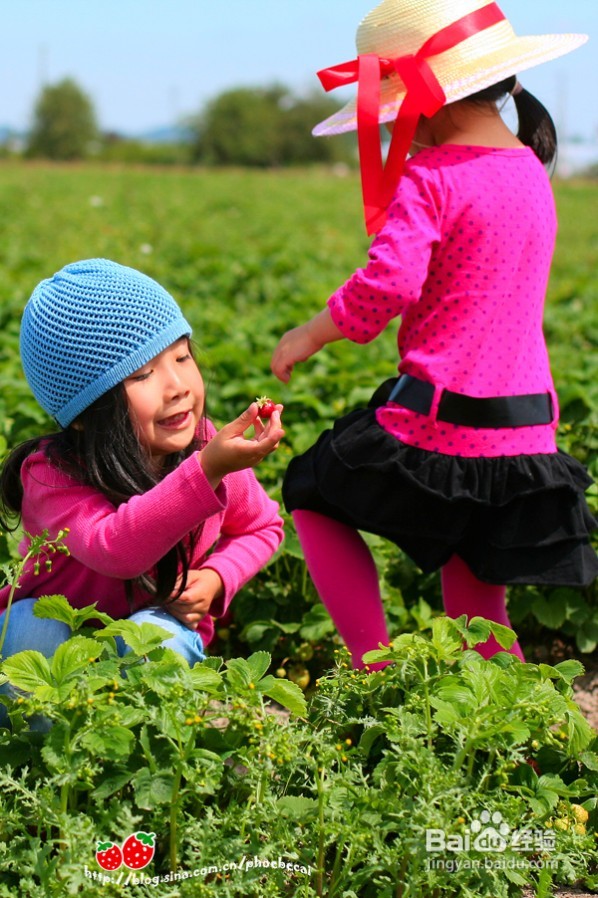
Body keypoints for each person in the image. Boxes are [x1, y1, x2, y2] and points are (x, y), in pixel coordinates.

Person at [271, 0, 597, 668]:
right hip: (525, 425)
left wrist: (308, 333)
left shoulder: (432, 176)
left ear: (430, 104)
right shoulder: (534, 173)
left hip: (441, 419)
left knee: (313, 495)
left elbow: (388, 285)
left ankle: (375, 667)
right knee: (477, 582)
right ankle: (508, 725)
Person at [0, 258, 284, 673]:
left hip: (157, 617)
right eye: (143, 374)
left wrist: (219, 576)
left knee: (160, 640)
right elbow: (114, 548)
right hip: (63, 624)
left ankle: (142, 729)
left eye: (183, 357)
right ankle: (41, 734)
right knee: (30, 630)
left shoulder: (207, 448)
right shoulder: (52, 475)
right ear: (83, 413)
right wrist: (205, 472)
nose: (177, 386)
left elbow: (263, 526)